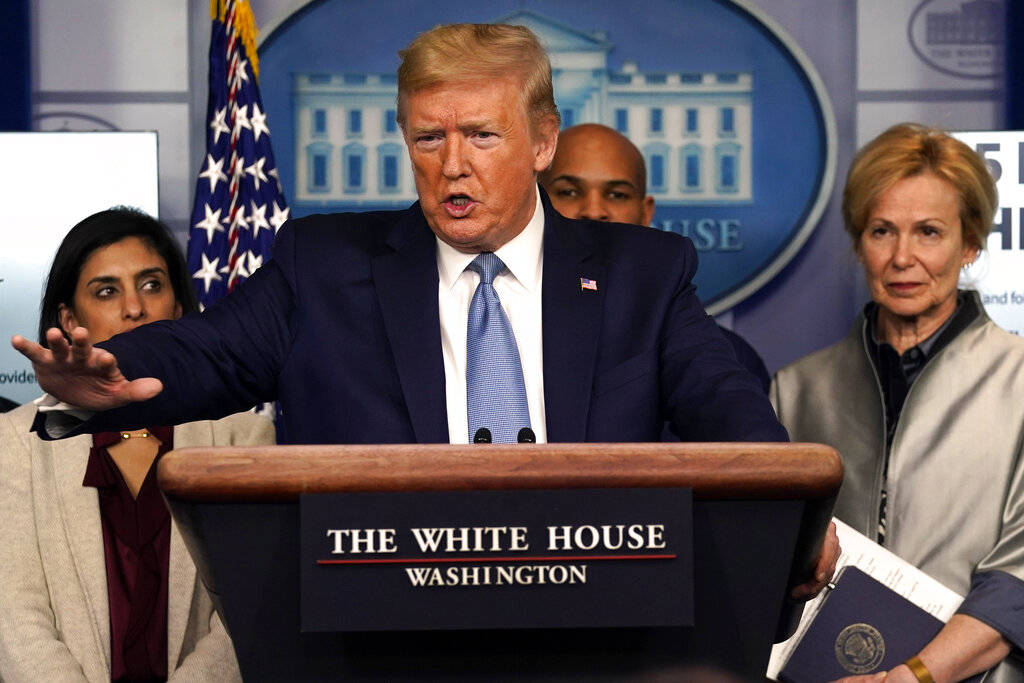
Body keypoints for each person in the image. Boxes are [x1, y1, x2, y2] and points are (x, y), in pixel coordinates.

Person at [12, 24, 834, 596]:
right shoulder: (325, 266)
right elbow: (209, 350)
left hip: (597, 623)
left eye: (480, 135)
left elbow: (725, 401)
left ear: (542, 141)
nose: (451, 167)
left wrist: (793, 516)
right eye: (427, 139)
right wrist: (112, 378)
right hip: (380, 634)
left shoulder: (639, 273)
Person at [771, 123, 1024, 682]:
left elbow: (1020, 573)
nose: (902, 257)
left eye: (929, 232)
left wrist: (913, 677)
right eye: (882, 231)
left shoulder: (1020, 379)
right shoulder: (797, 388)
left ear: (972, 243)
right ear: (860, 242)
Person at [0, 208, 274, 682]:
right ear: (69, 318)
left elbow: (249, 613)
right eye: (106, 291)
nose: (135, 308)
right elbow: (16, 619)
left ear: (180, 309)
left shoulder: (241, 436)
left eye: (152, 285)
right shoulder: (14, 444)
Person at [539, 122, 771, 393]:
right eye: (568, 191)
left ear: (645, 212)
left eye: (616, 194)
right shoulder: (504, 338)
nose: (593, 211)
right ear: (536, 202)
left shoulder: (728, 358)